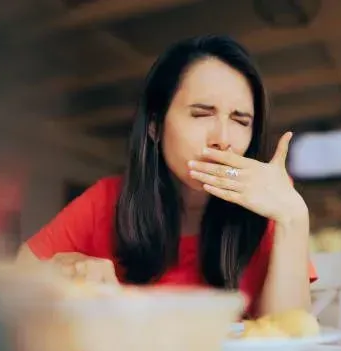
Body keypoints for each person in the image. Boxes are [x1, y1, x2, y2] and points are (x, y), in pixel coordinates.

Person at [17, 35, 315, 317]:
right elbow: (18, 276)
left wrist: (293, 218)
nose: (223, 139)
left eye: (240, 120)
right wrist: (65, 270)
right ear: (155, 127)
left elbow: (289, 331)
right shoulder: (107, 200)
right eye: (201, 114)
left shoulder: (273, 199)